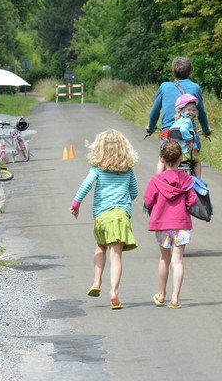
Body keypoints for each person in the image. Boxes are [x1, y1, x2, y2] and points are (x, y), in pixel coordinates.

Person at [70, 129, 139, 310]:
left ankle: (96, 281)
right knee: (116, 256)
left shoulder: (97, 169)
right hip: (121, 215)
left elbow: (86, 185)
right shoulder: (128, 170)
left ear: (99, 148)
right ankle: (114, 293)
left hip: (102, 215)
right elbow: (134, 193)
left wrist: (76, 204)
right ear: (124, 148)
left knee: (100, 246)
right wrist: (122, 201)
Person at [144, 141, 197, 309]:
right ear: (181, 158)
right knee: (178, 261)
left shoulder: (156, 180)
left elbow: (147, 200)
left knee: (164, 259)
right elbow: (192, 200)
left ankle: (161, 295)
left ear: (161, 159)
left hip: (162, 224)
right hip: (181, 223)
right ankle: (175, 298)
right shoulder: (187, 179)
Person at [146, 56, 211, 169]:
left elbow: (154, 112)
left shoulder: (164, 86)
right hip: (189, 136)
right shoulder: (195, 87)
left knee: (163, 158)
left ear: (173, 71)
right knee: (194, 160)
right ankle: (198, 184)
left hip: (168, 134)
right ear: (190, 71)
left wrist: (150, 128)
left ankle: (158, 183)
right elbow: (201, 113)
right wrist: (206, 130)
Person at [168, 94, 202, 177]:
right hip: (186, 155)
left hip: (175, 155)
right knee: (197, 161)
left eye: (193, 110)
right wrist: (190, 139)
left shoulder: (176, 122)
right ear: (181, 111)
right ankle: (199, 181)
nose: (191, 112)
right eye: (189, 110)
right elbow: (183, 130)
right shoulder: (187, 121)